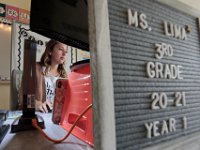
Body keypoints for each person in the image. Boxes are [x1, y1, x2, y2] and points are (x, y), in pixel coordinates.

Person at [19, 39, 68, 113]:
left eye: (66, 51)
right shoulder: (34, 68)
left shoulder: (64, 76)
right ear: (50, 51)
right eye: (60, 49)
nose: (64, 54)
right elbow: (23, 98)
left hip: (56, 115)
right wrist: (36, 104)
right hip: (38, 114)